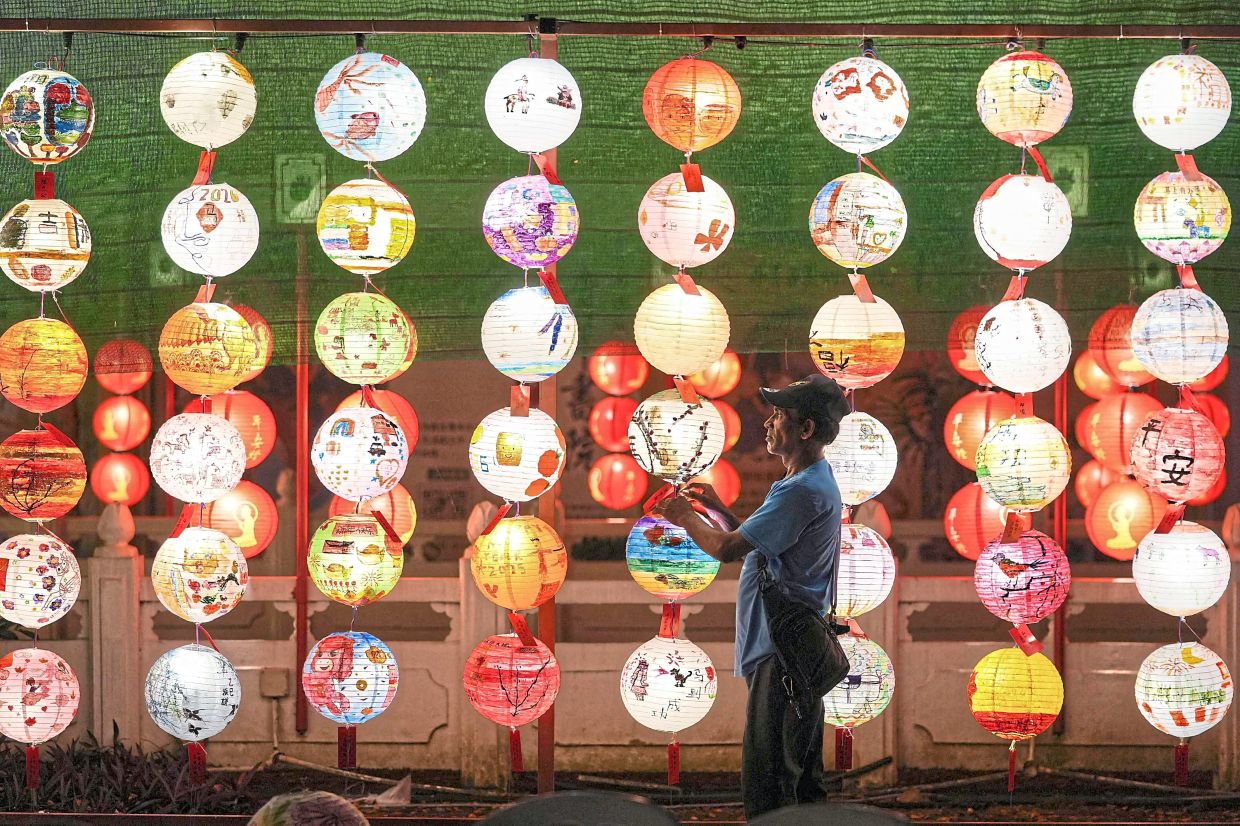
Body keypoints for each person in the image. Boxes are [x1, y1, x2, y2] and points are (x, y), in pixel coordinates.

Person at [659, 374, 850, 819]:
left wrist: (685, 515)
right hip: (790, 645)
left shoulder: (802, 490)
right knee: (796, 773)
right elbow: (761, 542)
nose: (768, 423)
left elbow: (728, 550)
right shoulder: (807, 480)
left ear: (805, 431)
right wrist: (720, 510)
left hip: (781, 652)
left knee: (771, 779)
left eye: (780, 415)